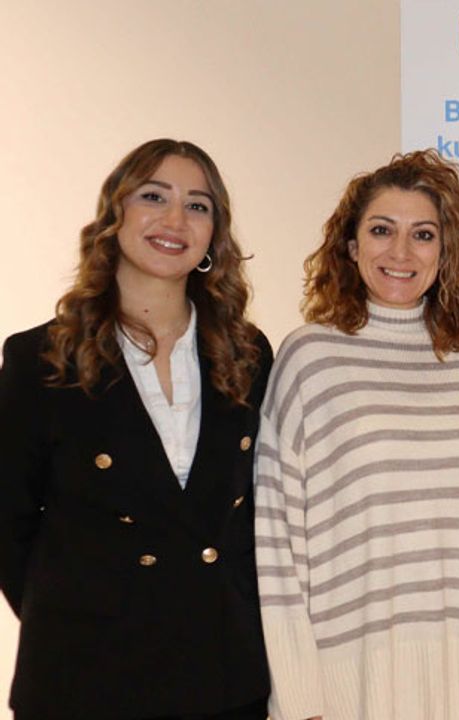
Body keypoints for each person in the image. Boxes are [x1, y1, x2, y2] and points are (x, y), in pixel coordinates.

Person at [253, 150, 459, 720]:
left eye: (423, 235)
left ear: (446, 250)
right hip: (351, 671)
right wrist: (296, 685)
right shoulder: (310, 356)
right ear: (351, 246)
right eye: (382, 230)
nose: (401, 252)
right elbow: (276, 535)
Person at [0, 138, 272, 719]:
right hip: (84, 680)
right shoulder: (41, 358)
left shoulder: (248, 354)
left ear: (214, 235)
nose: (175, 219)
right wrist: (77, 614)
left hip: (222, 680)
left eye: (197, 205)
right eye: (154, 196)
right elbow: (8, 524)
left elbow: (254, 521)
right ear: (115, 213)